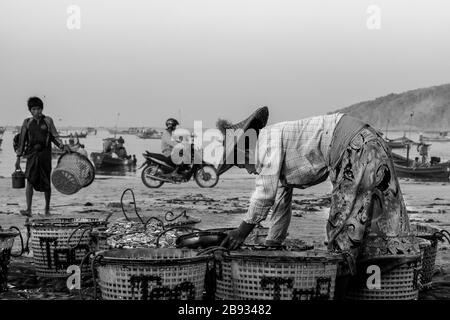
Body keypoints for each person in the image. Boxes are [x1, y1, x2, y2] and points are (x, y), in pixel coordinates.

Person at [219, 109, 418, 283]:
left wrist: (241, 232)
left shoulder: (265, 143)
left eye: (241, 164)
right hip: (370, 140)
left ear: (245, 151)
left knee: (343, 227)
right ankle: (376, 279)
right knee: (379, 212)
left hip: (355, 145)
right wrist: (273, 244)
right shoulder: (275, 153)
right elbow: (279, 203)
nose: (247, 170)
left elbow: (263, 195)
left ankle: (343, 287)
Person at [15, 97, 69, 216]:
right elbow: (22, 141)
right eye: (34, 109)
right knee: (30, 180)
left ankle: (47, 209)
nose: (37, 112)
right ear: (30, 111)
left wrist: (62, 146)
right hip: (32, 154)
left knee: (46, 180)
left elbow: (54, 137)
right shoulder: (27, 122)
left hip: (45, 154)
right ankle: (28, 209)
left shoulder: (48, 121)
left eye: (39, 109)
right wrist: (18, 157)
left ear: (42, 109)